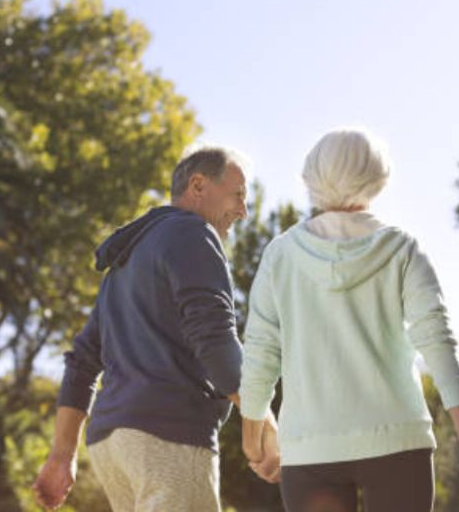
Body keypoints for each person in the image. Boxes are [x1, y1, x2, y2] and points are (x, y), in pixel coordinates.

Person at [238, 128, 459, 512]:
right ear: (376, 177)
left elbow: (260, 354)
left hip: (312, 451)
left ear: (312, 176)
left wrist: (252, 438)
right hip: (397, 443)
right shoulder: (401, 249)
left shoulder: (281, 256)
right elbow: (439, 343)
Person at [32, 144, 279, 511]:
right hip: (168, 437)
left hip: (112, 444)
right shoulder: (194, 234)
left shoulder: (125, 262)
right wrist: (262, 416)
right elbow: (214, 337)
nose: (243, 211)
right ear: (198, 186)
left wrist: (61, 455)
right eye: (238, 195)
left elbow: (82, 360)